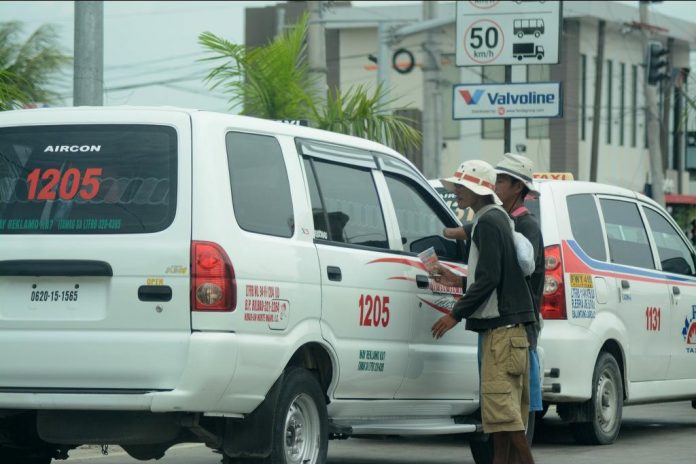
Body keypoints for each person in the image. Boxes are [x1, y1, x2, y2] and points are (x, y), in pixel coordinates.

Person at [430, 159, 536, 464]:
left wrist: (455, 314)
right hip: (511, 333)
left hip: (502, 335)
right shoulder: (498, 218)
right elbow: (494, 274)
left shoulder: (488, 222)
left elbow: (490, 277)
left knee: (507, 419)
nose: (458, 193)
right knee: (501, 423)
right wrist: (459, 280)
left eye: (463, 187)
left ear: (479, 191)